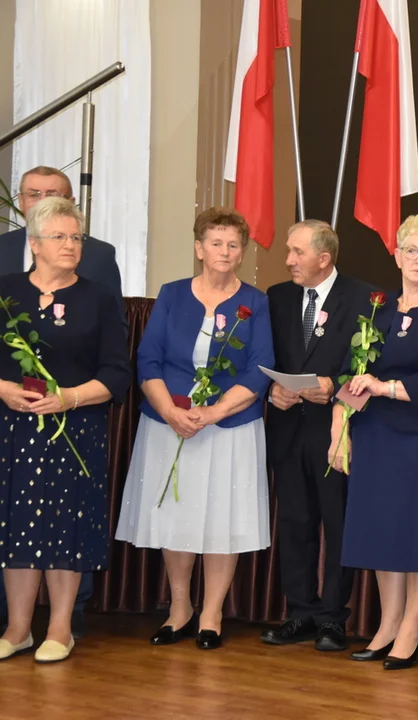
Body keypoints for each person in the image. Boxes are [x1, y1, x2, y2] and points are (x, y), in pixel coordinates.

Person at [114, 207, 275, 650]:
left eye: (233, 244)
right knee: (177, 518)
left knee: (223, 518)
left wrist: (213, 413)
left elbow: (260, 371)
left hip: (230, 428)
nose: (224, 251)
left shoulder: (256, 303)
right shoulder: (171, 294)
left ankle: (212, 612)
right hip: (169, 424)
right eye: (216, 242)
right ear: (198, 248)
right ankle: (180, 607)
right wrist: (170, 411)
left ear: (242, 251)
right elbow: (148, 360)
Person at [332, 213, 418, 670]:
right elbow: (351, 369)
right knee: (382, 531)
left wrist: (386, 388)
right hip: (375, 433)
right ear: (397, 254)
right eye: (412, 250)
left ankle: (411, 627)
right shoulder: (377, 308)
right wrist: (341, 423)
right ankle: (387, 624)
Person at [0, 197, 129, 662]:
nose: (71, 245)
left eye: (76, 237)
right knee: (16, 529)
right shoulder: (6, 291)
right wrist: (4, 389)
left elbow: (117, 373)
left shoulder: (98, 297)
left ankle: (59, 628)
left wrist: (71, 397)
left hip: (75, 430)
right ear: (34, 244)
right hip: (14, 430)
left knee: (65, 529)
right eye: (60, 237)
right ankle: (18, 629)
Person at [261, 220, 379, 652]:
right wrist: (273, 392)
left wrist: (335, 385)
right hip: (288, 428)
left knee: (338, 523)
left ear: (323, 259)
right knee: (294, 523)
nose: (288, 260)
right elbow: (264, 355)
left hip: (336, 433)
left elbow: (371, 364)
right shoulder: (277, 297)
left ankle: (333, 618)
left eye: (296, 252)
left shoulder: (366, 298)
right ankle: (301, 612)